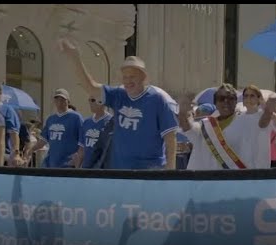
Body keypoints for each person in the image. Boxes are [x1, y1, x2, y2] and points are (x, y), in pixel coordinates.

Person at [60, 39, 178, 170]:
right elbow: (90, 87)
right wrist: (75, 58)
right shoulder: (118, 95)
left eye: (132, 76)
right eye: (125, 77)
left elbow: (170, 137)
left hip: (149, 172)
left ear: (143, 77)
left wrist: (170, 171)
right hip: (120, 171)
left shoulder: (157, 100)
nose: (128, 81)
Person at [24, 89, 83, 168]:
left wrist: (78, 158)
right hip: (52, 163)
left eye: (62, 100)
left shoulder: (76, 117)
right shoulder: (51, 119)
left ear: (68, 101)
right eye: (57, 99)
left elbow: (83, 140)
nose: (59, 102)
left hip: (68, 163)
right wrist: (31, 150)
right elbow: (43, 140)